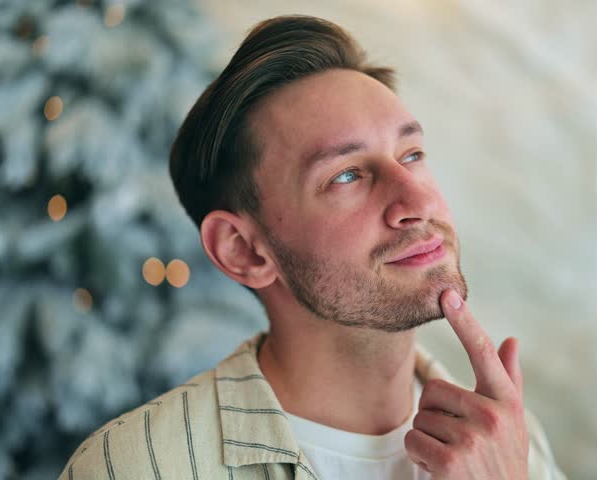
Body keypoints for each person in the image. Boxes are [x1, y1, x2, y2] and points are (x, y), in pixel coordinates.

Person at [58, 14, 566, 480]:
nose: (417, 201)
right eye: (346, 175)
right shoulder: (135, 469)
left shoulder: (510, 444)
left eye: (411, 154)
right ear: (243, 251)